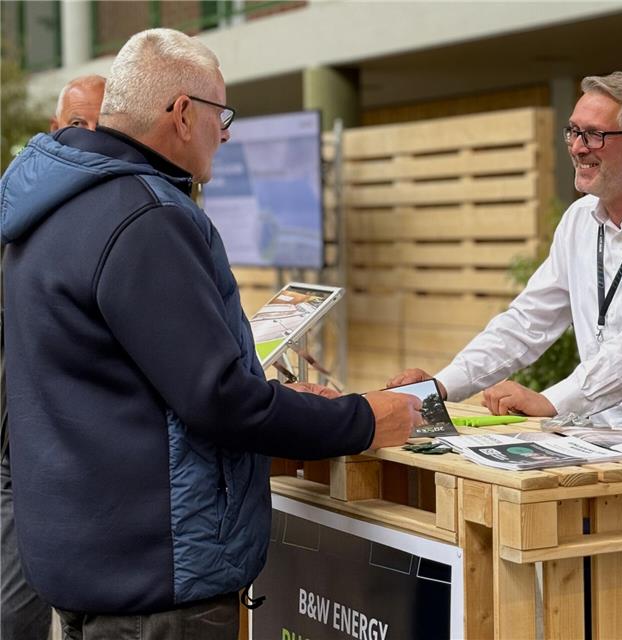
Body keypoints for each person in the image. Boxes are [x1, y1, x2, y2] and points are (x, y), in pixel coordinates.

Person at [0, 28, 419, 639]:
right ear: (182, 113)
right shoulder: (147, 217)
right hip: (155, 588)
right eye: (221, 115)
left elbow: (123, 388)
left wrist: (290, 410)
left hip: (89, 565)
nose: (225, 134)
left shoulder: (51, 207)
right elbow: (218, 399)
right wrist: (362, 420)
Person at [390, 72, 622, 445]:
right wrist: (442, 385)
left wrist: (552, 401)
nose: (578, 147)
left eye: (594, 135)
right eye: (573, 132)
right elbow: (526, 323)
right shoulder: (579, 219)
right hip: (608, 443)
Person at [2, 73, 108, 640]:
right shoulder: (25, 202)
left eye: (99, 124)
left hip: (61, 440)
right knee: (16, 611)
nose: (88, 137)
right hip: (20, 440)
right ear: (53, 130)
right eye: (76, 124)